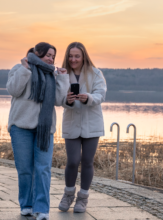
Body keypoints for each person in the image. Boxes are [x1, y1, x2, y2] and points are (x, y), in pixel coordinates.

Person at [6, 42, 69, 220]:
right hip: (21, 127)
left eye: (53, 57)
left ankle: (41, 209)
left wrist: (63, 79)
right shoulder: (19, 68)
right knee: (25, 169)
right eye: (48, 55)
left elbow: (58, 100)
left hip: (44, 130)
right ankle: (26, 205)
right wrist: (25, 70)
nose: (51, 59)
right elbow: (13, 90)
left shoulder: (52, 75)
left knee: (43, 169)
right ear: (37, 53)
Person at [58, 42, 107, 213]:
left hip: (91, 123)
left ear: (83, 56)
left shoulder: (95, 73)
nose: (73, 59)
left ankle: (83, 198)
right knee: (72, 161)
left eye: (77, 56)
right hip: (71, 122)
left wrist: (88, 98)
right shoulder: (63, 74)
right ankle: (68, 194)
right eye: (70, 56)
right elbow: (58, 97)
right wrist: (67, 100)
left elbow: (101, 94)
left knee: (87, 161)